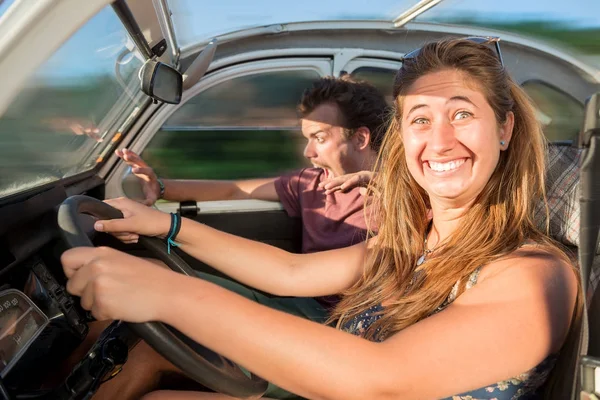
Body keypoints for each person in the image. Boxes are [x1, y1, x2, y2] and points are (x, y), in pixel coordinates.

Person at [62, 37, 581, 399]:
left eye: (462, 113)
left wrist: (168, 292)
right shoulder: (408, 246)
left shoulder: (534, 273)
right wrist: (168, 226)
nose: (440, 140)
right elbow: (289, 274)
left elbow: (379, 380)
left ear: (506, 129)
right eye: (421, 120)